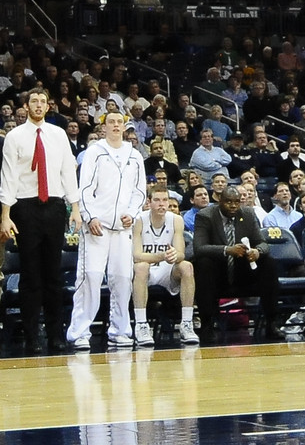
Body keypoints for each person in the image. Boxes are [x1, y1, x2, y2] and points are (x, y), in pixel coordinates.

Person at [0, 87, 82, 353]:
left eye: (42, 101)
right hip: (25, 207)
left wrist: (76, 208)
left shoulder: (58, 135)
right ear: (26, 106)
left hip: (55, 206)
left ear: (48, 106)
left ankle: (56, 334)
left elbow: (68, 172)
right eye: (33, 101)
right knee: (30, 275)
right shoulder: (14, 137)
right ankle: (32, 334)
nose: (38, 105)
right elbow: (8, 177)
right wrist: (5, 215)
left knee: (53, 275)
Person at [66, 110, 146, 350]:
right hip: (96, 227)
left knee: (122, 279)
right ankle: (79, 332)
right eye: (110, 122)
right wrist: (89, 217)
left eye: (119, 122)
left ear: (125, 127)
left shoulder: (135, 156)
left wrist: (131, 214)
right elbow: (85, 189)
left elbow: (139, 192)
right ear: (103, 127)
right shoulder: (94, 153)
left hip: (122, 229)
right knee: (89, 278)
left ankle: (120, 330)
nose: (115, 125)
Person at [193, 185, 283, 343]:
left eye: (236, 202)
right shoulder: (205, 215)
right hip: (217, 273)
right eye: (228, 202)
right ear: (219, 200)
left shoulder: (247, 214)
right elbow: (199, 248)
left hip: (242, 271)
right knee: (204, 263)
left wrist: (257, 252)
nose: (233, 205)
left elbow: (263, 243)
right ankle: (207, 325)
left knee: (268, 263)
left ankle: (271, 323)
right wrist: (227, 250)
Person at [131, 187, 199, 347]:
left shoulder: (176, 219)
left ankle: (187, 323)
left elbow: (181, 253)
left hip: (167, 270)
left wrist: (175, 255)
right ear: (149, 202)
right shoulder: (139, 220)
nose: (162, 204)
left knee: (187, 266)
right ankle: (141, 325)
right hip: (147, 271)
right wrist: (161, 256)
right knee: (140, 267)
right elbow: (136, 256)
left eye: (165, 200)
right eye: (157, 200)